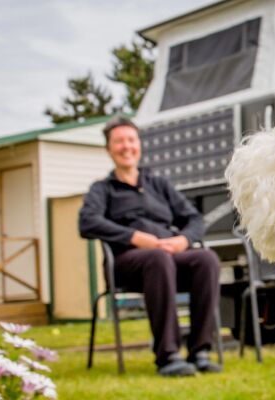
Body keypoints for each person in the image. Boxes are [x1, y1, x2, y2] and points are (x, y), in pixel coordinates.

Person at [79, 115, 221, 377]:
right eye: (119, 141)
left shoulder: (159, 185)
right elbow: (87, 222)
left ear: (139, 145)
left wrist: (183, 240)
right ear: (109, 149)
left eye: (131, 140)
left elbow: (193, 218)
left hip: (168, 259)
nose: (126, 146)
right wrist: (134, 237)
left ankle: (200, 351)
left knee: (206, 259)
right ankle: (167, 355)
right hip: (127, 264)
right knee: (156, 257)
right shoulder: (103, 189)